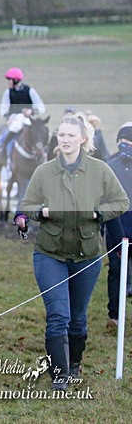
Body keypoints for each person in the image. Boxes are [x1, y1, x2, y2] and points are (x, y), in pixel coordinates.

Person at [16, 112, 128, 389]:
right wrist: (39, 212)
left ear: (83, 138)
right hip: (49, 254)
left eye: (70, 135)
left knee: (77, 319)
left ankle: (74, 364)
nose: (65, 139)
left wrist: (97, 213)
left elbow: (121, 201)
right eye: (61, 135)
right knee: (58, 315)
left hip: (87, 256)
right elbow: (27, 205)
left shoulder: (100, 170)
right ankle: (59, 375)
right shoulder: (44, 171)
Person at [104, 123, 132, 329]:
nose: (125, 144)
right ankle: (114, 314)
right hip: (116, 228)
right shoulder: (110, 165)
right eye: (122, 140)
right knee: (115, 270)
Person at [0, 67, 46, 167]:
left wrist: (31, 110)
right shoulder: (8, 92)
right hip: (14, 118)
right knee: (16, 126)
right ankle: (3, 148)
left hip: (28, 118)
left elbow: (41, 107)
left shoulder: (30, 91)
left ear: (16, 80)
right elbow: (4, 108)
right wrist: (8, 116)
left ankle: (41, 152)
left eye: (9, 80)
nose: (8, 82)